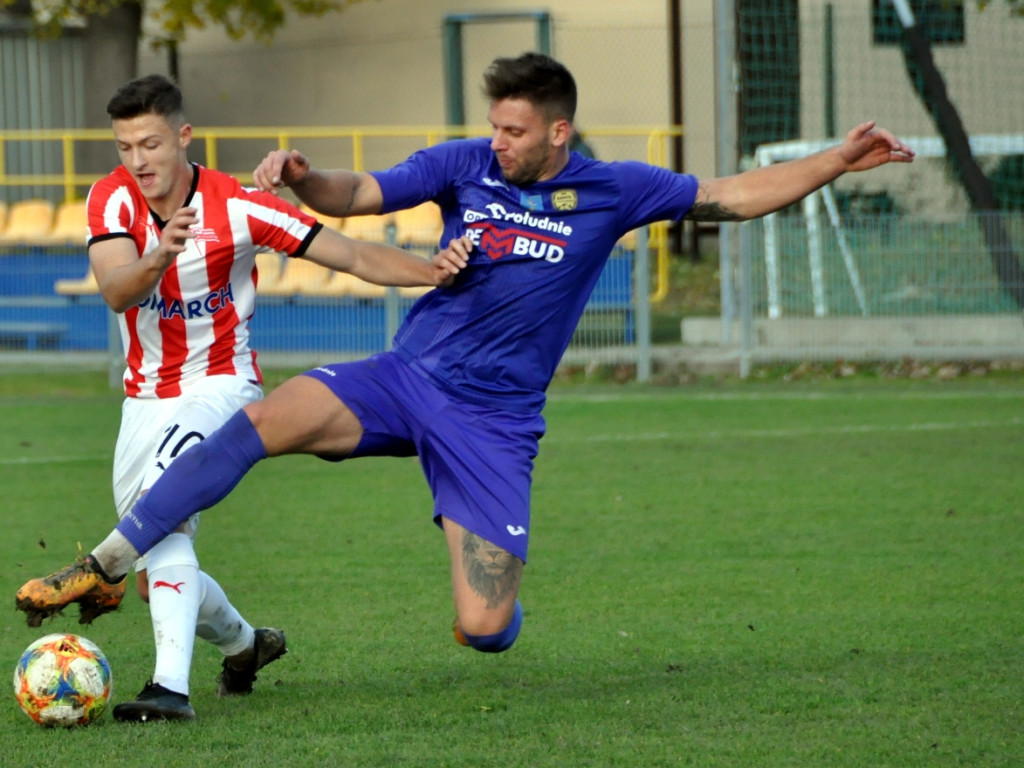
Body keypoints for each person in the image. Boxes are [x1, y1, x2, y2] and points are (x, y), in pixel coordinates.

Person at [16, 53, 913, 658]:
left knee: (482, 629)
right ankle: (105, 564)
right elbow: (360, 194)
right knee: (258, 423)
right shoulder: (464, 165)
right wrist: (301, 177)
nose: (499, 141)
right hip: (406, 379)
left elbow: (730, 194)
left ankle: (468, 529)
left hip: (492, 420)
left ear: (559, 133)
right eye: (494, 126)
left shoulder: (615, 191)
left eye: (515, 131)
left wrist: (834, 160)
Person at [14, 74, 466, 722]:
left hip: (222, 388)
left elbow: (351, 255)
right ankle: (248, 646)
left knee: (159, 514)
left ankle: (169, 690)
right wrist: (160, 256)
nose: (138, 160)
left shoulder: (242, 206)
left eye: (149, 143)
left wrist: (433, 271)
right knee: (155, 576)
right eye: (124, 147)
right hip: (144, 400)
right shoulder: (111, 201)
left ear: (183, 136)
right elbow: (116, 289)